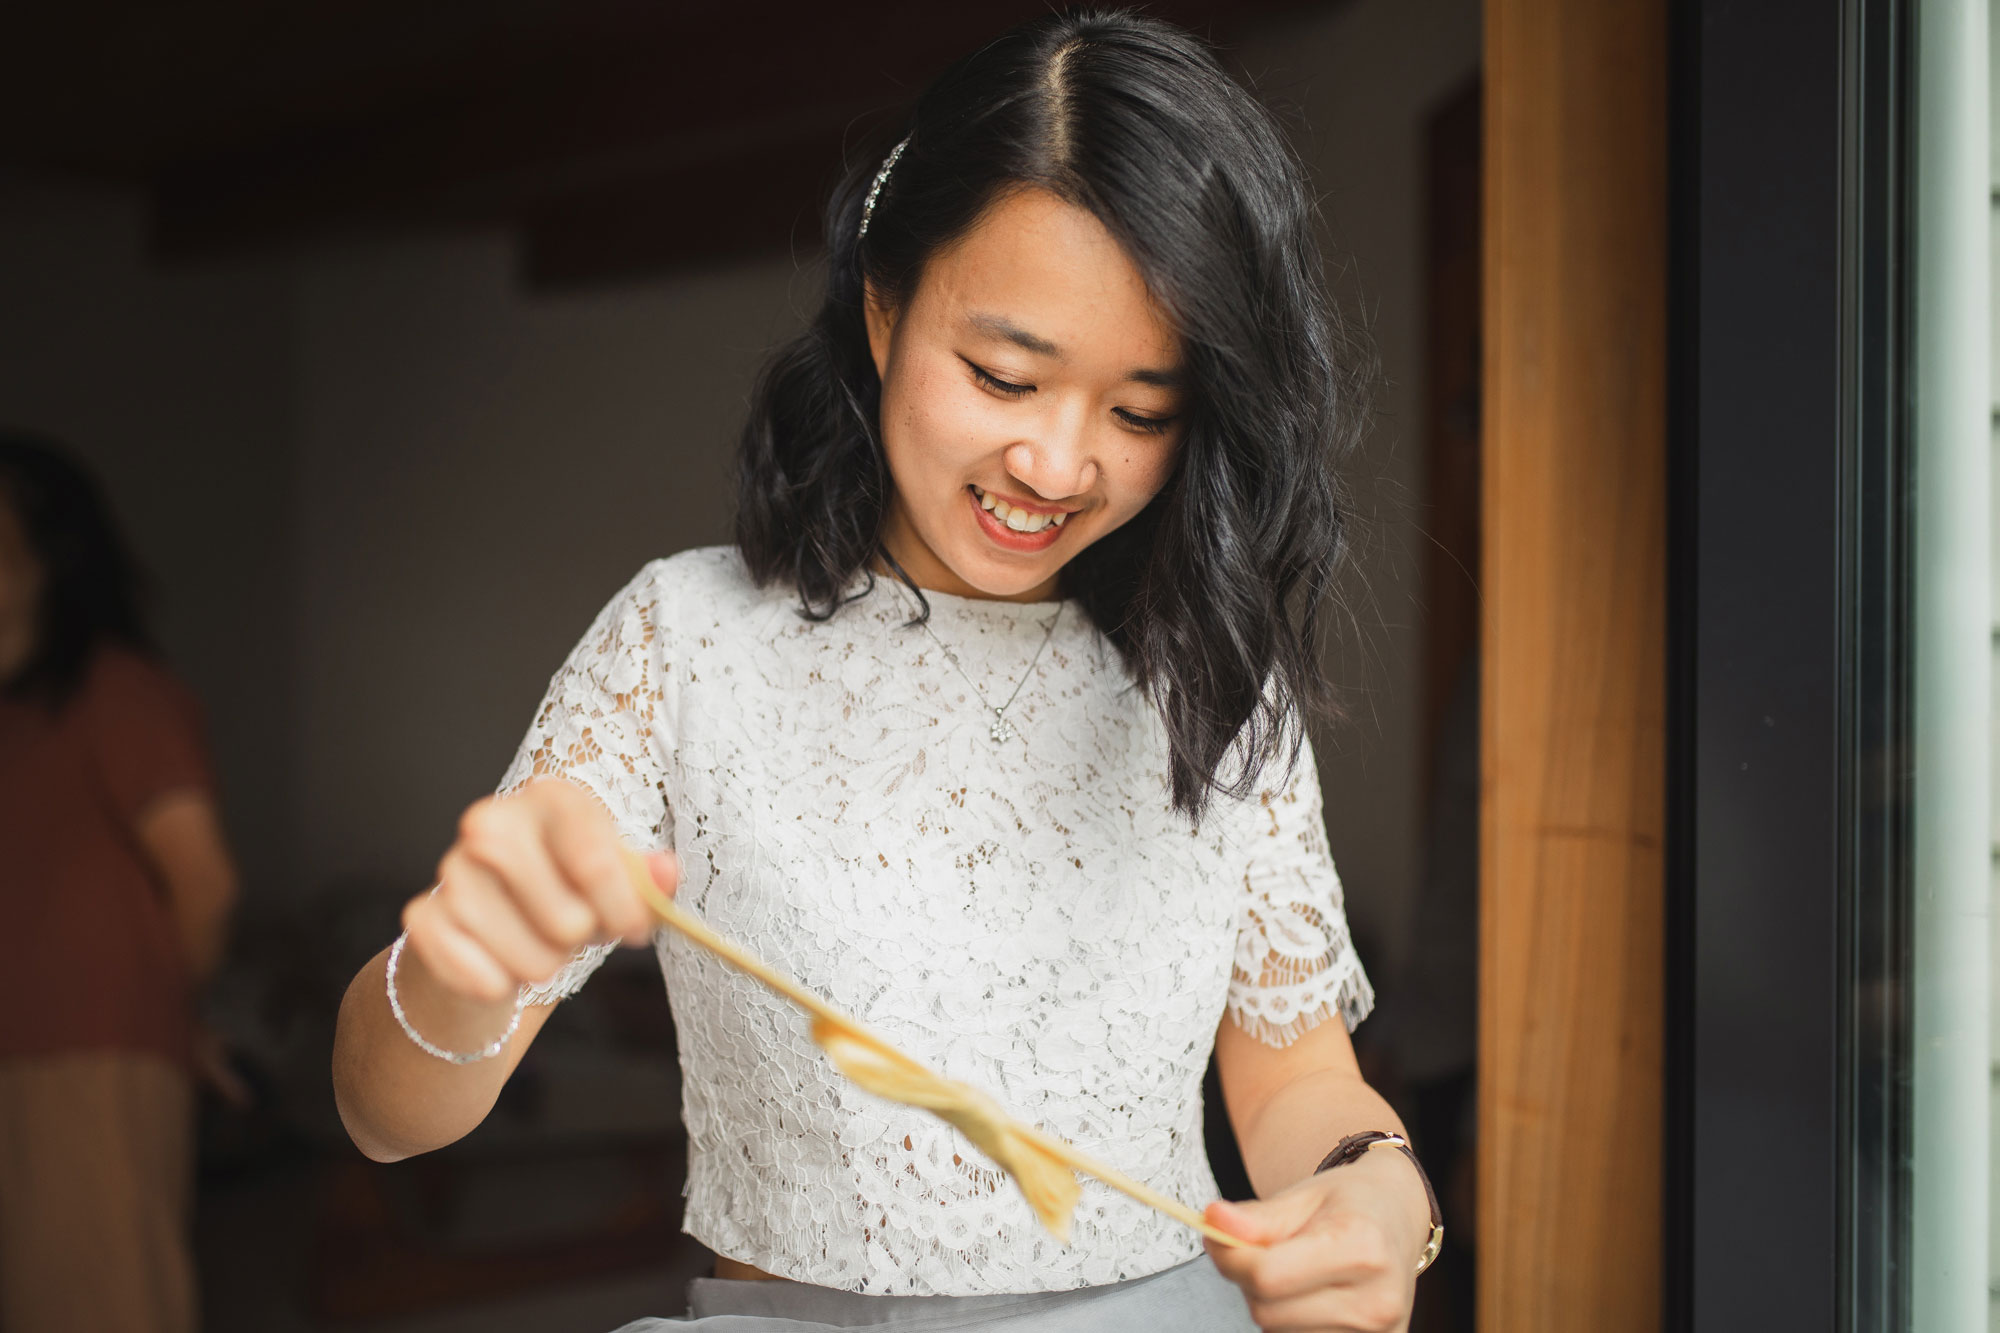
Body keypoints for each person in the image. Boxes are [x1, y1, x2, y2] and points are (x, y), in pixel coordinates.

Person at [331, 10, 1439, 1330]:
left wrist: (1380, 1198)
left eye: (1141, 410)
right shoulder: (685, 642)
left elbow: (1298, 1083)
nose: (1058, 463)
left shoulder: (1217, 677)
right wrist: (456, 966)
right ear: (882, 305)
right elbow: (384, 1119)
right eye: (1002, 375)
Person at [0, 435, 242, 1333]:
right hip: (25, 1050)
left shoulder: (115, 692)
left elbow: (203, 881)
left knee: (98, 1300)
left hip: (87, 1053)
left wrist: (171, 1012)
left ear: (47, 551)